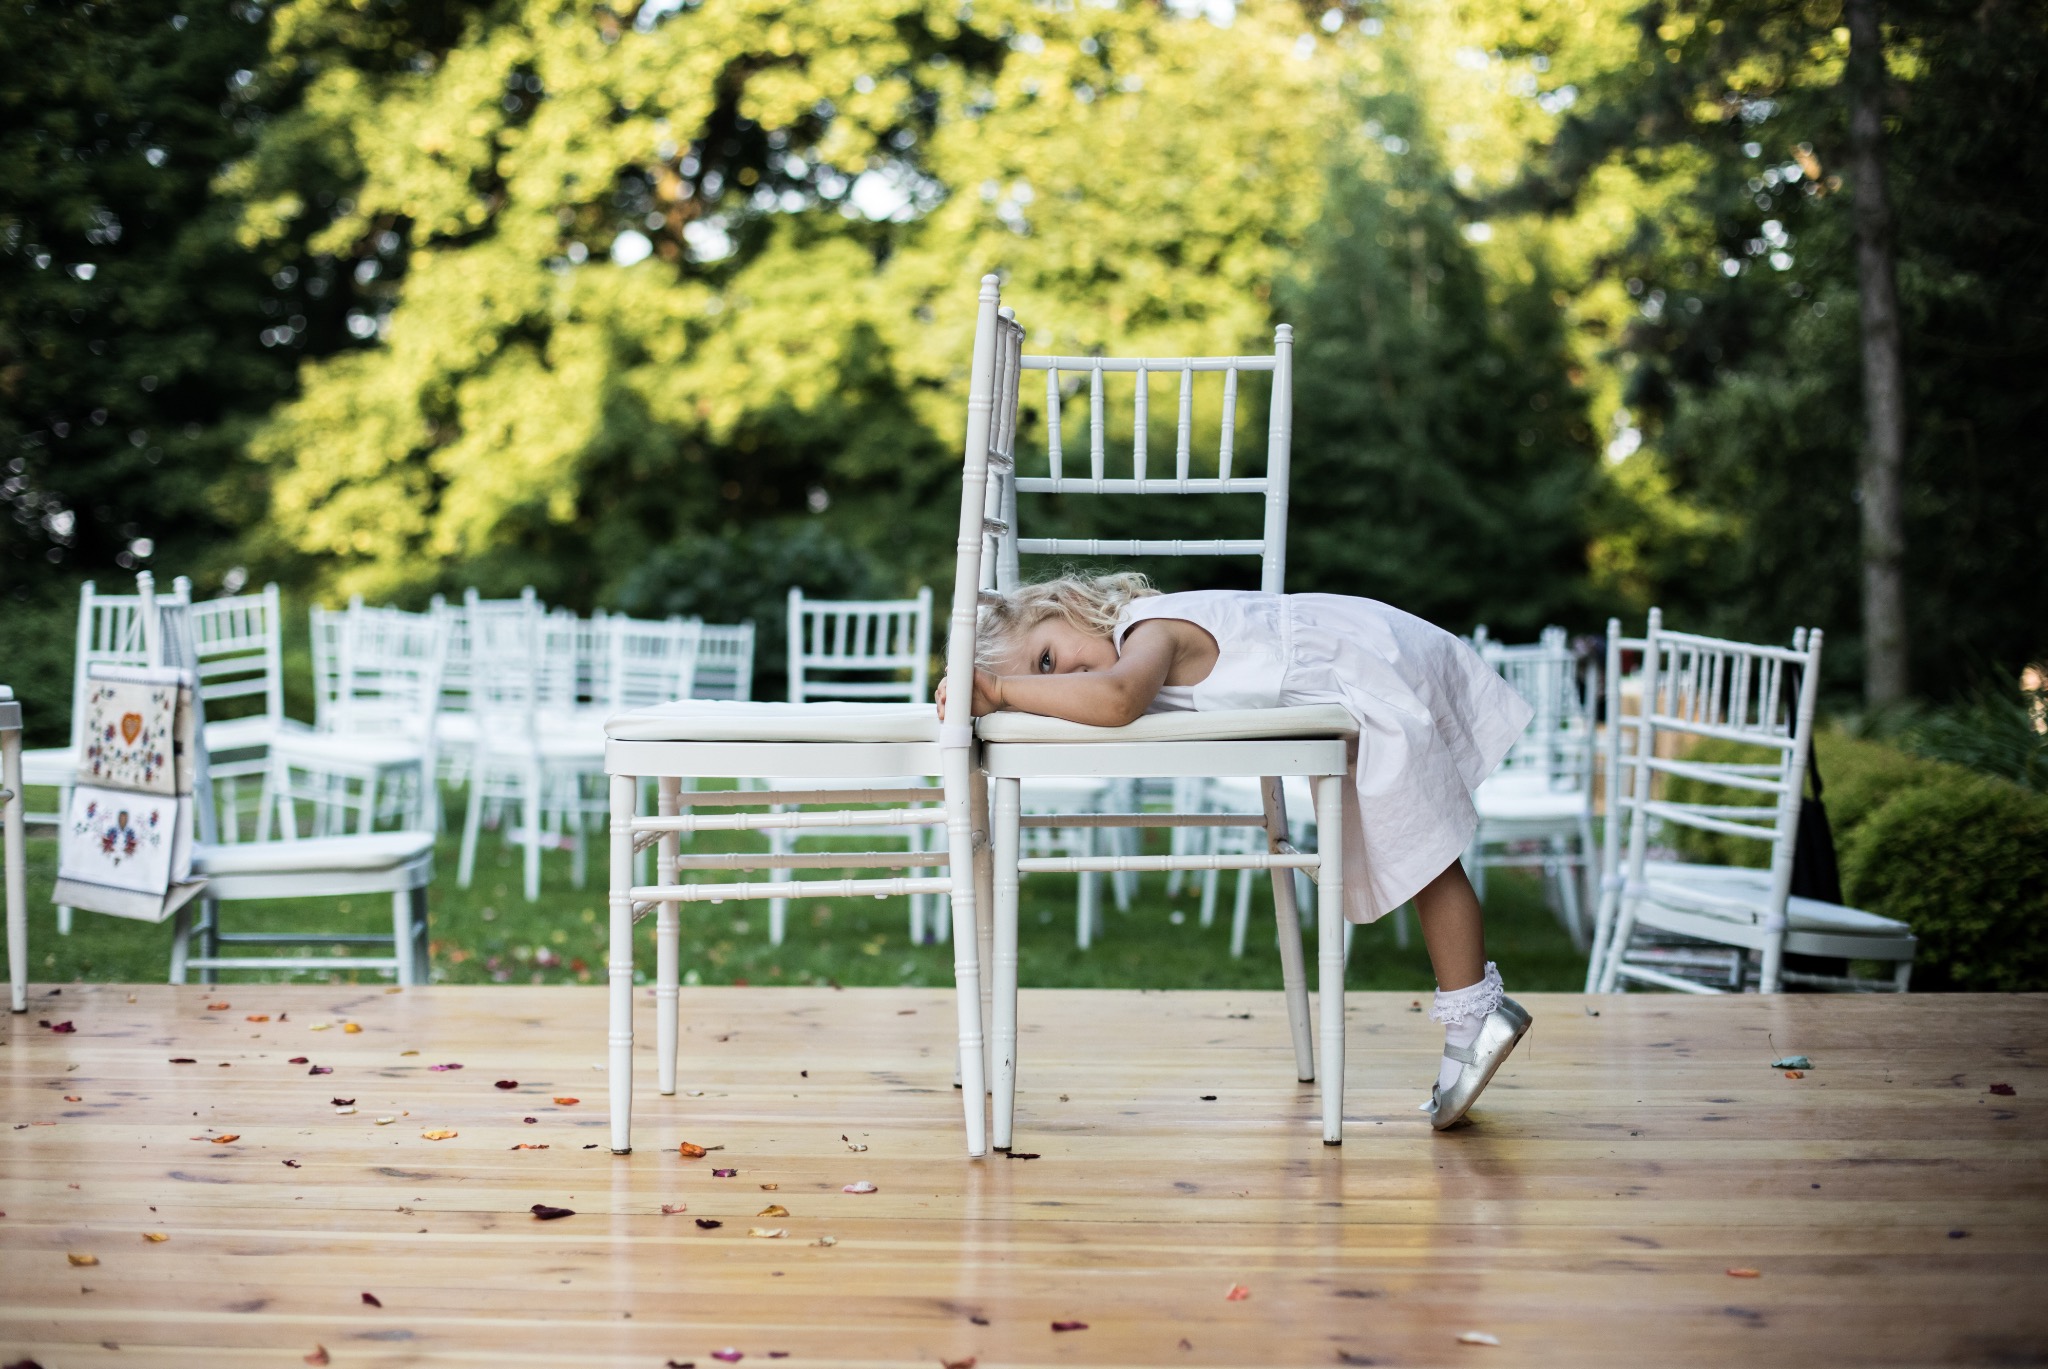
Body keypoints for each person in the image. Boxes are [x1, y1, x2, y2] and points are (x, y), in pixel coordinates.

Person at [939, 572, 1537, 1129]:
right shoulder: (1132, 641)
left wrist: (997, 688)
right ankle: (1470, 1019)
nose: (1063, 684)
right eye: (1043, 684)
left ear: (1067, 608)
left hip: (1368, 664)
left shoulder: (1151, 631)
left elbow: (1116, 700)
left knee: (1424, 853)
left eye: (1048, 660)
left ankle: (1473, 1017)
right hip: (1346, 676)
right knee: (1421, 854)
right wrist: (1012, 691)